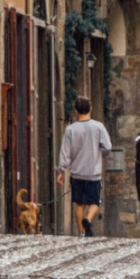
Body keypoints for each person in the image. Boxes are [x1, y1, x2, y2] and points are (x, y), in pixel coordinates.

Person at [56, 96, 111, 238]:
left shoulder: (70, 130)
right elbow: (107, 147)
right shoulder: (98, 127)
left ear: (75, 111)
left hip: (77, 173)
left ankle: (81, 233)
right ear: (90, 109)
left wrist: (61, 170)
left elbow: (65, 152)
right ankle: (88, 218)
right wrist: (101, 153)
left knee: (79, 204)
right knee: (94, 203)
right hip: (93, 173)